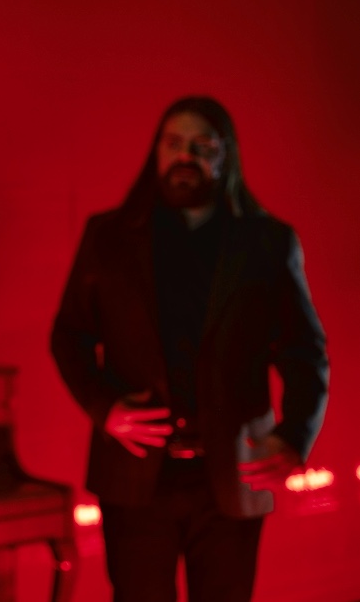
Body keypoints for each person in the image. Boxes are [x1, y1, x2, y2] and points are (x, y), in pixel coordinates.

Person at [50, 96, 329, 602]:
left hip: (234, 473)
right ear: (156, 151)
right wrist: (105, 408)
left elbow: (305, 352)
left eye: (203, 146)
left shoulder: (269, 242)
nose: (186, 156)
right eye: (174, 143)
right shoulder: (108, 237)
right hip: (134, 477)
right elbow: (68, 335)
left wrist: (294, 436)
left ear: (226, 156)